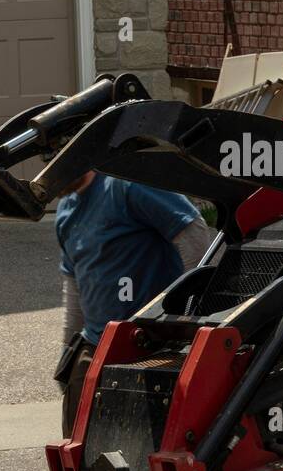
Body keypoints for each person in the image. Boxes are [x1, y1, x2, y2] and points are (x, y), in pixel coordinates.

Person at [55, 170, 212, 434]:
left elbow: (193, 233)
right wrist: (67, 349)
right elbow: (74, 284)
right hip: (95, 345)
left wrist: (188, 320)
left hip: (148, 345)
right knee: (79, 448)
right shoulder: (65, 210)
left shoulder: (128, 184)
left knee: (145, 450)